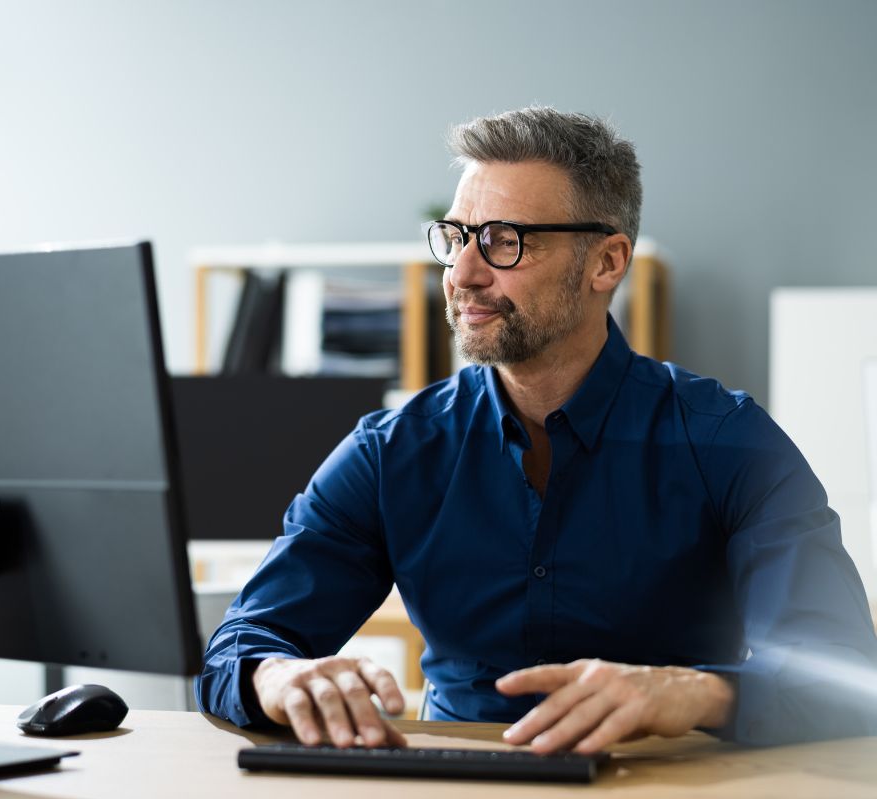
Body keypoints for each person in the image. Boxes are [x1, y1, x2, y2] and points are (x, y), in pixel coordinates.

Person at [194, 107, 877, 754]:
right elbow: (237, 650)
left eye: (503, 241)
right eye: (457, 237)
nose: (462, 273)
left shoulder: (729, 442)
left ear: (606, 263)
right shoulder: (390, 451)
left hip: (664, 782)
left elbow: (846, 680)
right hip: (454, 786)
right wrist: (277, 678)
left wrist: (695, 692)